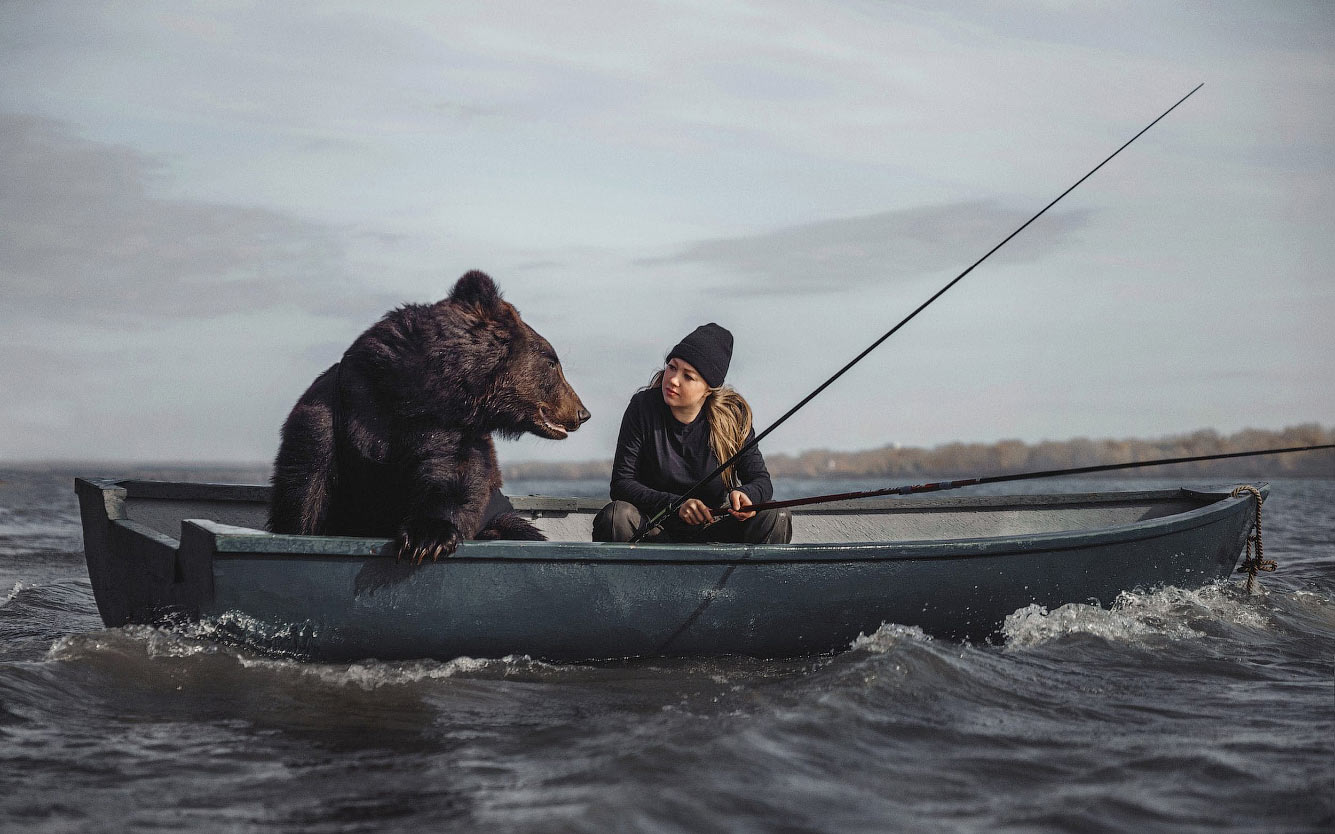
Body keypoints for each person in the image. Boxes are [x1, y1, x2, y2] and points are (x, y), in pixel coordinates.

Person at [593, 323, 792, 544]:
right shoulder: (642, 407)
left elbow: (761, 481)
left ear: (708, 389)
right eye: (672, 367)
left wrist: (748, 496)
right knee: (616, 516)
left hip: (713, 531)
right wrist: (675, 505)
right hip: (654, 529)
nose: (674, 380)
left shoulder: (734, 417)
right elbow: (622, 484)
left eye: (688, 376)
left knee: (776, 516)